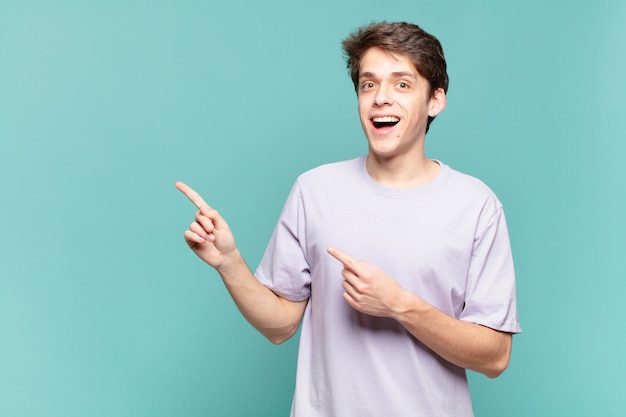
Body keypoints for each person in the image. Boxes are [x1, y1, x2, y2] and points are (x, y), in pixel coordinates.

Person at [176, 21, 521, 417]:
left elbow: (495, 357)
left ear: (435, 100)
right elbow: (280, 326)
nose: (381, 98)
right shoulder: (314, 190)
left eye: (402, 84)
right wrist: (229, 263)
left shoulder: (475, 205)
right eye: (368, 84)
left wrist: (400, 305)